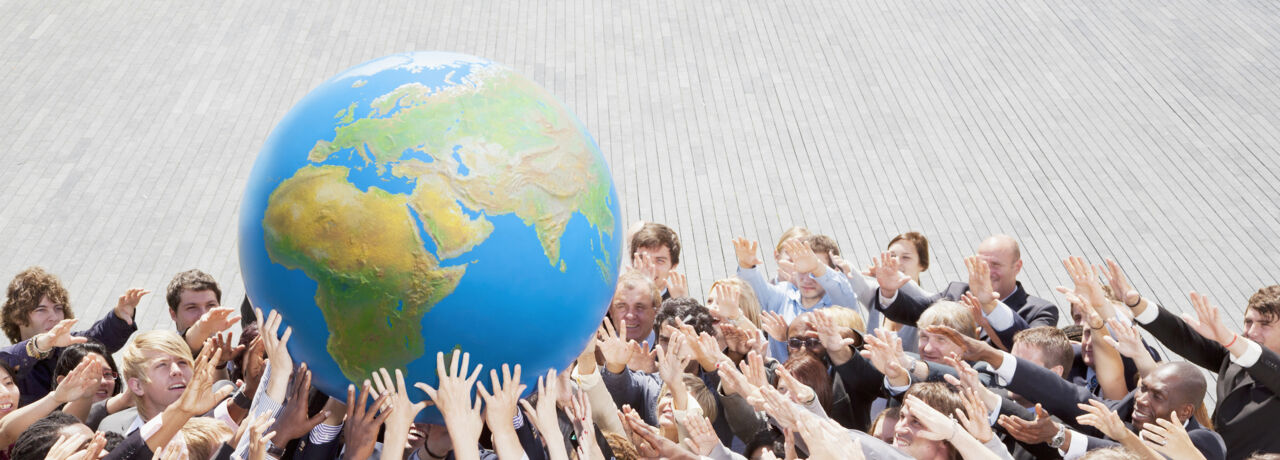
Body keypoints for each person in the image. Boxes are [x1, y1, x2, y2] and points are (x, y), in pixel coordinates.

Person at [1112, 264, 1280, 459]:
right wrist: (1137, 304)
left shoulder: (1251, 356)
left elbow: (1269, 368)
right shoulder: (1234, 358)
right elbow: (1186, 339)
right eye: (1249, 322)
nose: (1251, 332)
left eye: (1265, 324)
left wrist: (1229, 339)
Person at [0, 267, 141, 405]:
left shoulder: (68, 345)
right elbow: (6, 360)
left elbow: (97, 338)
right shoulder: (11, 359)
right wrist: (38, 346)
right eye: (41, 310)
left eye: (58, 308)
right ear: (18, 317)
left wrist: (119, 317)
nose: (54, 317)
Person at [875, 235, 1058, 335]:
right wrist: (889, 291)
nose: (986, 272)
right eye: (981, 264)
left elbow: (1030, 349)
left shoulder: (1040, 311)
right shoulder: (956, 292)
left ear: (1017, 267)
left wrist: (990, 307)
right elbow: (913, 311)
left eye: (995, 265)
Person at [734, 234, 857, 361]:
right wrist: (746, 265)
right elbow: (754, 289)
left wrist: (787, 337)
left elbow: (842, 289)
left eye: (814, 271)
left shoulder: (839, 304)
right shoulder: (784, 294)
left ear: (832, 270)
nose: (808, 279)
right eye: (803, 268)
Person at [629, 223, 683, 300]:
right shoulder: (611, 303)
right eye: (642, 258)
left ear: (673, 266)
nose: (650, 267)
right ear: (632, 261)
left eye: (659, 260)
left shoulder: (679, 308)